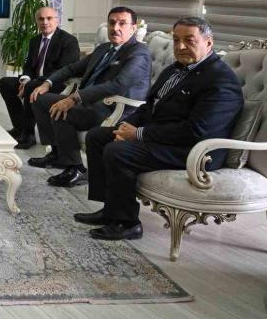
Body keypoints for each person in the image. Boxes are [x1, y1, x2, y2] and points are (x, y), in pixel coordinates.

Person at [75, 17, 243, 240]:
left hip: (195, 151)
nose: (180, 46)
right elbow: (149, 107)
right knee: (98, 136)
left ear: (208, 43)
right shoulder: (174, 69)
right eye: (176, 40)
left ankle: (127, 223)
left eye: (189, 40)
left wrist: (138, 134)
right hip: (163, 137)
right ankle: (110, 210)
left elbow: (197, 131)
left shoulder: (220, 80)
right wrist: (127, 126)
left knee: (118, 151)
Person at [28, 6, 151, 188]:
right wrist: (47, 83)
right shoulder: (104, 48)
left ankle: (75, 168)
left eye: (122, 23)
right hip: (90, 101)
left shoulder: (138, 53)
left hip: (113, 107)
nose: (115, 28)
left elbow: (117, 85)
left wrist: (74, 98)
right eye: (112, 23)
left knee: (63, 113)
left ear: (133, 28)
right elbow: (72, 68)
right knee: (39, 98)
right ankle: (57, 154)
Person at [0, 6, 80, 149]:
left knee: (31, 86)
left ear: (57, 20)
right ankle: (19, 127)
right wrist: (25, 79)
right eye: (41, 19)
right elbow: (28, 65)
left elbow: (64, 70)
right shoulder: (35, 40)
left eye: (49, 18)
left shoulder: (69, 41)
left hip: (57, 83)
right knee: (5, 83)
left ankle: (28, 134)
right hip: (34, 81)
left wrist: (35, 82)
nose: (45, 22)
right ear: (36, 21)